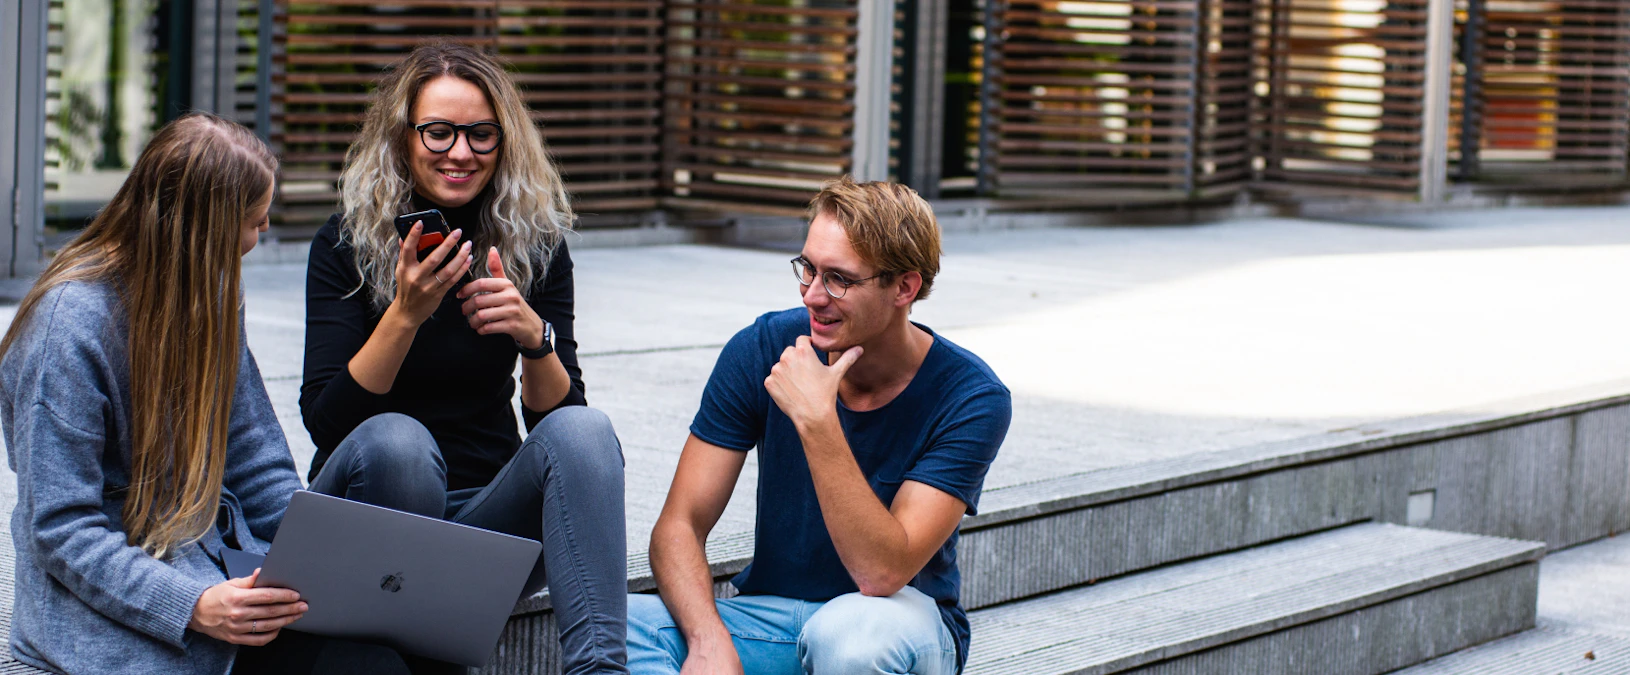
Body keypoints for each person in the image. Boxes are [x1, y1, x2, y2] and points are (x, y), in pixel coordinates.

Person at [0, 114, 410, 674]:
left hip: (217, 568)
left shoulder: (211, 292)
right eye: (252, 223)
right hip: (115, 603)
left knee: (376, 660)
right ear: (201, 229)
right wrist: (191, 605)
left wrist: (309, 564)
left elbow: (255, 458)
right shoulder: (66, 330)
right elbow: (61, 529)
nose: (260, 236)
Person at [299, 41, 627, 674]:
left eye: (481, 134)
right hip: (372, 512)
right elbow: (327, 423)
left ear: (505, 142)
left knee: (587, 431)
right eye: (439, 132)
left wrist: (534, 337)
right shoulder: (346, 242)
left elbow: (561, 427)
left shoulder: (533, 242)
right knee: (398, 442)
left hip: (484, 522)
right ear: (403, 137)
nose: (460, 152)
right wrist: (406, 314)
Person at [628, 178, 1012, 675]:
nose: (812, 295)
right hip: (774, 617)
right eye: (807, 269)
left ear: (905, 287)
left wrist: (816, 419)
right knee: (617, 623)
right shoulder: (765, 347)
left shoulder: (971, 397)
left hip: (896, 624)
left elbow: (882, 572)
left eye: (839, 279)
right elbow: (678, 526)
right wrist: (706, 642)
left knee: (850, 640)